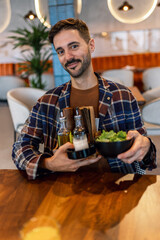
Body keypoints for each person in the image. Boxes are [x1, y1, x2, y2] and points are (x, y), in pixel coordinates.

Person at [12, 18, 157, 179]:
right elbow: (20, 148)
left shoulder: (123, 96)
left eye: (74, 46)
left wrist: (146, 146)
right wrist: (49, 163)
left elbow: (145, 156)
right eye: (60, 51)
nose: (68, 57)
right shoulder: (47, 102)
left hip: (115, 186)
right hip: (61, 188)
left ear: (91, 45)